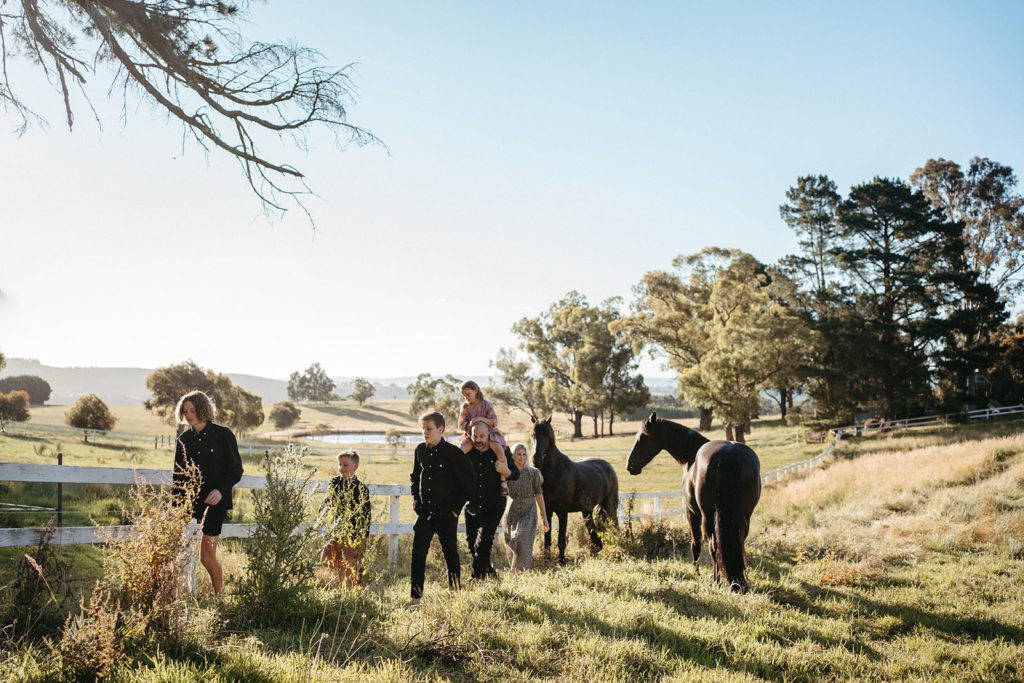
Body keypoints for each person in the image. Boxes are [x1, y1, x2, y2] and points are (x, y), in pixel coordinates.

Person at [172, 390, 243, 595]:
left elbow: (236, 470)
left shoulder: (223, 435)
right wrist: (176, 508)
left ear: (203, 409)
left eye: (193, 410)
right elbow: (178, 476)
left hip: (215, 504)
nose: (189, 415)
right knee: (182, 553)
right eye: (185, 411)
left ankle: (219, 596)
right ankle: (184, 596)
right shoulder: (184, 439)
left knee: (206, 556)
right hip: (188, 504)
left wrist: (221, 491)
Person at [409, 411, 476, 605]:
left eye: (429, 429)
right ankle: (415, 598)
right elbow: (415, 477)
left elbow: (469, 485)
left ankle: (455, 595)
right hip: (425, 513)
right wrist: (415, 499)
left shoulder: (454, 454)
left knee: (450, 553)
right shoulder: (420, 450)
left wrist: (455, 510)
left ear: (441, 429)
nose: (425, 432)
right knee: (418, 554)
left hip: (447, 514)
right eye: (422, 429)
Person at [465, 422, 519, 579]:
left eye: (482, 436)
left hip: (494, 503)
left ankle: (476, 577)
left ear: (489, 435)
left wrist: (506, 471)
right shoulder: (468, 452)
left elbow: (516, 474)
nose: (478, 440)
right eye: (475, 436)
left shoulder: (500, 451)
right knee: (471, 543)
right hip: (472, 504)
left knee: (483, 541)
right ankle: (488, 570)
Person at [319, 450, 371, 587]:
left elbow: (366, 516)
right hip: (334, 529)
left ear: (356, 466)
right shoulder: (334, 483)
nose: (341, 468)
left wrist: (362, 538)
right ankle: (331, 584)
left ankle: (355, 587)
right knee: (326, 559)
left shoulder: (361, 489)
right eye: (340, 464)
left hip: (352, 533)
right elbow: (326, 502)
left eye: (345, 465)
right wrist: (320, 517)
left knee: (350, 563)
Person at [457, 380, 510, 495]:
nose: (466, 397)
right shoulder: (465, 407)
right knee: (460, 451)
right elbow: (461, 425)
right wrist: (470, 425)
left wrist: (481, 419)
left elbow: (494, 421)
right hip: (471, 435)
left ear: (476, 390)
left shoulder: (486, 404)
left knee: (500, 451)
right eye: (464, 395)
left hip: (489, 434)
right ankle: (458, 479)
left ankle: (503, 482)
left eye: (468, 394)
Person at [503, 443, 548, 571]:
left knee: (522, 539)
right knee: (511, 542)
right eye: (518, 454)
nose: (522, 457)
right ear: (513, 456)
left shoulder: (533, 473)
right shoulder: (508, 473)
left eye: (524, 454)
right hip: (512, 511)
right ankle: (517, 572)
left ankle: (519, 572)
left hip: (529, 511)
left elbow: (539, 495)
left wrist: (544, 517)